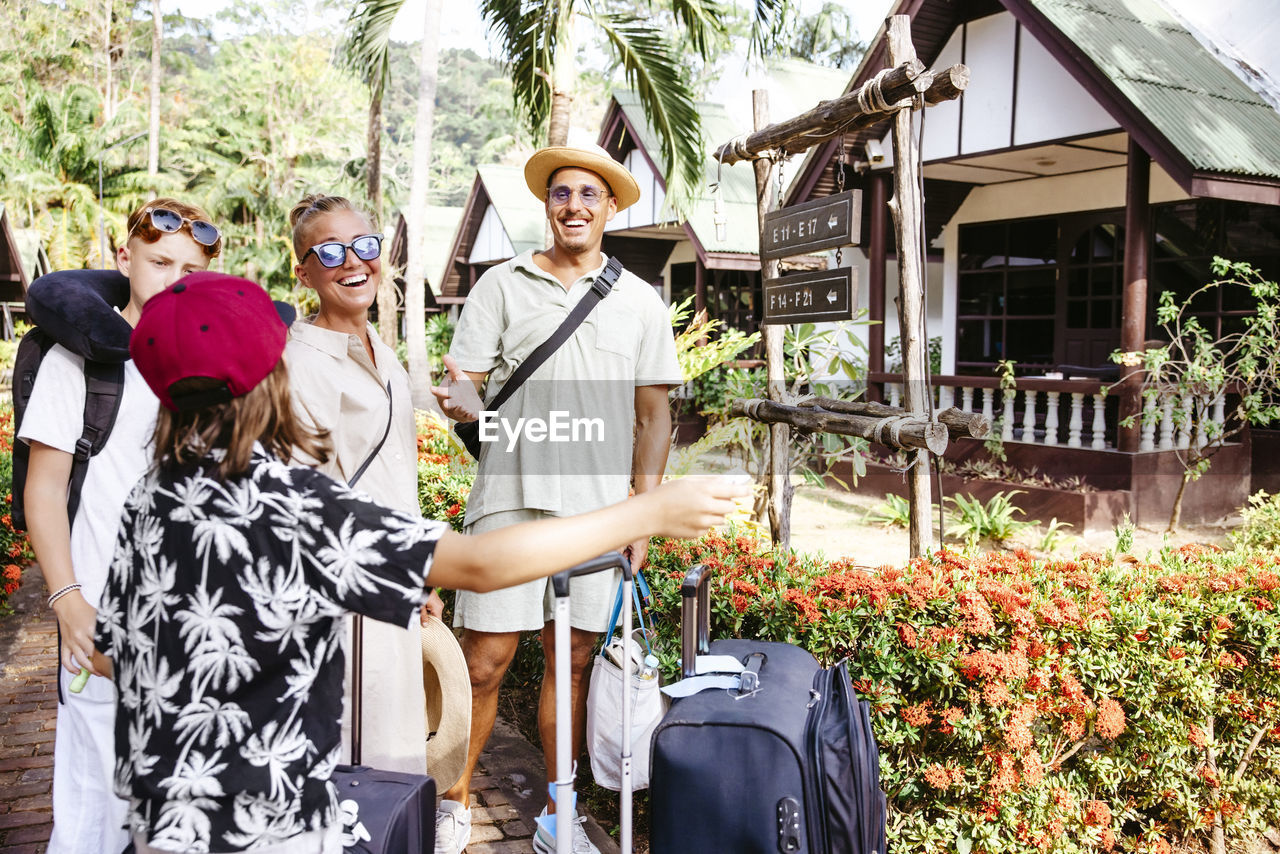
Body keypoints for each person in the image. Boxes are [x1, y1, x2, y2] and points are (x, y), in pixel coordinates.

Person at [88, 271, 742, 854]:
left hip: (159, 817)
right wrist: (646, 514)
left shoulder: (152, 498)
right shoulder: (291, 504)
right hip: (268, 825)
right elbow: (482, 564)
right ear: (270, 375)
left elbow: (112, 651)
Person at [431, 143, 683, 854]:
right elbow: (468, 385)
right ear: (548, 205)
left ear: (609, 209)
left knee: (569, 665)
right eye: (561, 194)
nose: (574, 205)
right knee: (483, 661)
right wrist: (463, 404)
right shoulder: (501, 286)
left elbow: (655, 413)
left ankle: (557, 813)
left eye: (588, 195)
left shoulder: (639, 302)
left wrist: (645, 509)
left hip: (597, 513)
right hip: (508, 500)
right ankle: (454, 800)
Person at [20, 199, 222, 854]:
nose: (172, 279)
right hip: (103, 630)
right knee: (94, 817)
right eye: (159, 261)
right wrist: (67, 600)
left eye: (189, 270)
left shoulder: (215, 374)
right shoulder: (81, 364)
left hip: (196, 631)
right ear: (123, 258)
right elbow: (44, 490)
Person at [284, 193, 446, 776]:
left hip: (393, 580)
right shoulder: (298, 361)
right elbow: (303, 493)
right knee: (356, 752)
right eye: (329, 251)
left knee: (397, 740)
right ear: (304, 270)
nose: (353, 262)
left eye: (364, 245)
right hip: (342, 589)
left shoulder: (383, 352)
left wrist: (420, 569)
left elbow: (395, 476)